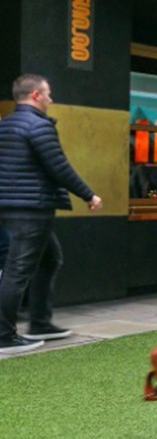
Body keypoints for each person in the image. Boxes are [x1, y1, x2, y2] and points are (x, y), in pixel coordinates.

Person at [0, 74, 104, 355]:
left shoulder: (6, 124)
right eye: (48, 94)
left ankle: (41, 322)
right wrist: (88, 194)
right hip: (32, 209)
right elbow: (58, 167)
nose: (51, 99)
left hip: (11, 207)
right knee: (18, 270)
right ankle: (4, 336)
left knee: (49, 259)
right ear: (35, 95)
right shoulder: (38, 126)